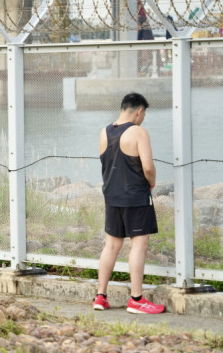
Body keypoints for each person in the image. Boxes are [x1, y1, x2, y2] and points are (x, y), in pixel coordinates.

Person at [94, 92, 164, 314]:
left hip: (111, 196)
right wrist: (152, 182)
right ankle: (136, 299)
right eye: (143, 115)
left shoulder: (104, 132)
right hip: (135, 197)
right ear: (139, 111)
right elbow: (148, 167)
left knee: (111, 246)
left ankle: (100, 296)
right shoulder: (138, 132)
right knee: (138, 246)